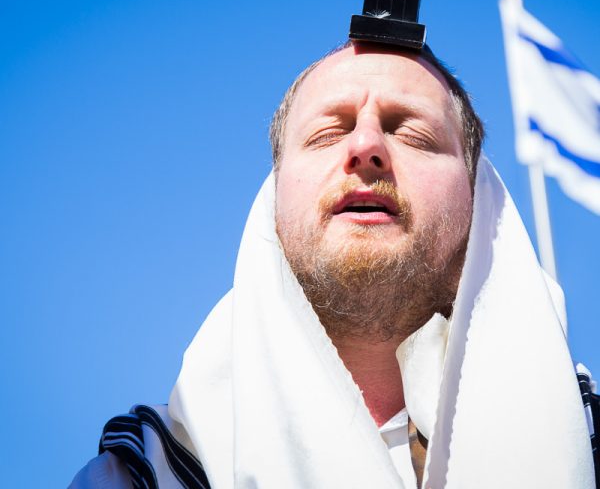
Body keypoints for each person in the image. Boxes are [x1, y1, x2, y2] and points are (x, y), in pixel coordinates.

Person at [71, 41, 598, 489]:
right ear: (274, 199)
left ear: (478, 199)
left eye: (411, 133)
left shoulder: (587, 443)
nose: (366, 147)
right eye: (327, 133)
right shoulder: (146, 473)